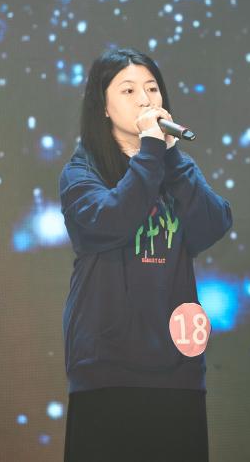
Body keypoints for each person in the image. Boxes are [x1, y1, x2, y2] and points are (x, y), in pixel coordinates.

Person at [59, 47, 233, 462]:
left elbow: (212, 225)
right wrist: (153, 151)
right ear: (102, 106)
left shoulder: (174, 167)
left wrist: (171, 155)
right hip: (108, 367)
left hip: (177, 367)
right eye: (128, 90)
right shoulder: (82, 172)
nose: (145, 100)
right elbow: (111, 220)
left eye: (152, 89)